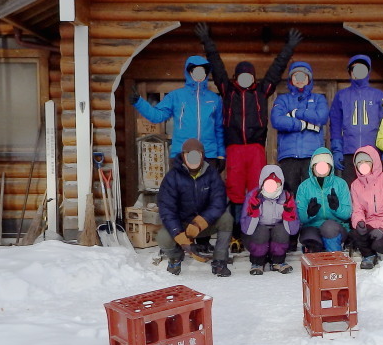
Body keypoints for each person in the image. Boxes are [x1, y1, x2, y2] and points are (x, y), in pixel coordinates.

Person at [194, 23, 302, 249]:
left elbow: (276, 68)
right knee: (234, 192)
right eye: (242, 76)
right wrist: (208, 43)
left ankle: (253, 232)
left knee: (257, 189)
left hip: (255, 149)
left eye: (249, 76)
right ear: (236, 77)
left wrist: (288, 48)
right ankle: (235, 233)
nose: (245, 79)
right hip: (234, 148)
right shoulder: (227, 90)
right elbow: (217, 65)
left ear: (253, 78)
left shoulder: (262, 91)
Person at [155, 139, 234, 276]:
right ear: (183, 156)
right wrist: (178, 234)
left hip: (204, 224)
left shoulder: (212, 174)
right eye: (189, 155)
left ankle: (219, 261)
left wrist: (200, 222)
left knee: (226, 218)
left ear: (202, 155)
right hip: (182, 224)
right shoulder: (172, 177)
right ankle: (175, 257)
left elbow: (219, 202)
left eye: (197, 154)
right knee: (163, 237)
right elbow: (167, 209)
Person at [131, 55, 225, 169]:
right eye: (196, 71)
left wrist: (221, 155)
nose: (199, 74)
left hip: (208, 155)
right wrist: (139, 102)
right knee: (180, 187)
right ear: (189, 72)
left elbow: (219, 129)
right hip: (181, 154)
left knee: (207, 187)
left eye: (202, 71)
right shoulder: (176, 96)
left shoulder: (214, 99)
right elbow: (157, 116)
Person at [271, 61, 329, 195]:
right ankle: (293, 217)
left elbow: (321, 117)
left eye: (303, 76)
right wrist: (303, 125)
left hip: (312, 155)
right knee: (290, 194)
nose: (299, 80)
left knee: (313, 193)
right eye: (296, 76)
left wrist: (296, 113)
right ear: (290, 79)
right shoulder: (282, 100)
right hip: (289, 155)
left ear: (309, 79)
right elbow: (277, 120)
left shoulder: (318, 99)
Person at [329, 54, 383, 186]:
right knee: (351, 189)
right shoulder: (341, 96)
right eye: (355, 69)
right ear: (350, 72)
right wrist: (337, 150)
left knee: (374, 188)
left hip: (373, 152)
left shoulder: (378, 95)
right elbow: (335, 125)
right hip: (349, 152)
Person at [239, 165, 300, 275]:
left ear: (281, 183)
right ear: (262, 183)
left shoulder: (286, 197)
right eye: (268, 183)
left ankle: (278, 261)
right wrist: (254, 212)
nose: (273, 187)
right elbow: (247, 229)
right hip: (257, 233)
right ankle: (258, 262)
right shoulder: (253, 196)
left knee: (281, 231)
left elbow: (293, 231)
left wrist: (289, 214)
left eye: (276, 183)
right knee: (261, 232)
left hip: (277, 232)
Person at [295, 147, 352, 252]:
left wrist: (337, 208)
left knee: (328, 228)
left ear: (331, 167)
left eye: (325, 166)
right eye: (318, 165)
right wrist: (309, 213)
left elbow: (347, 214)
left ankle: (334, 258)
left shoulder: (340, 184)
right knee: (310, 238)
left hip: (335, 227)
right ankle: (316, 260)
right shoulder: (304, 187)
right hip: (312, 226)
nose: (321, 169)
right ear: (312, 167)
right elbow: (300, 218)